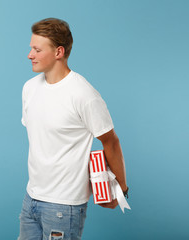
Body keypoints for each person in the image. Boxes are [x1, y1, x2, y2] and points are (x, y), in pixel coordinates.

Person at [19, 18, 128, 240]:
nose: (29, 55)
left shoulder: (83, 94)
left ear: (59, 52)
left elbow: (111, 141)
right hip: (31, 198)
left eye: (37, 49)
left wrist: (121, 190)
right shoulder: (29, 88)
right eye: (31, 48)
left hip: (63, 206)